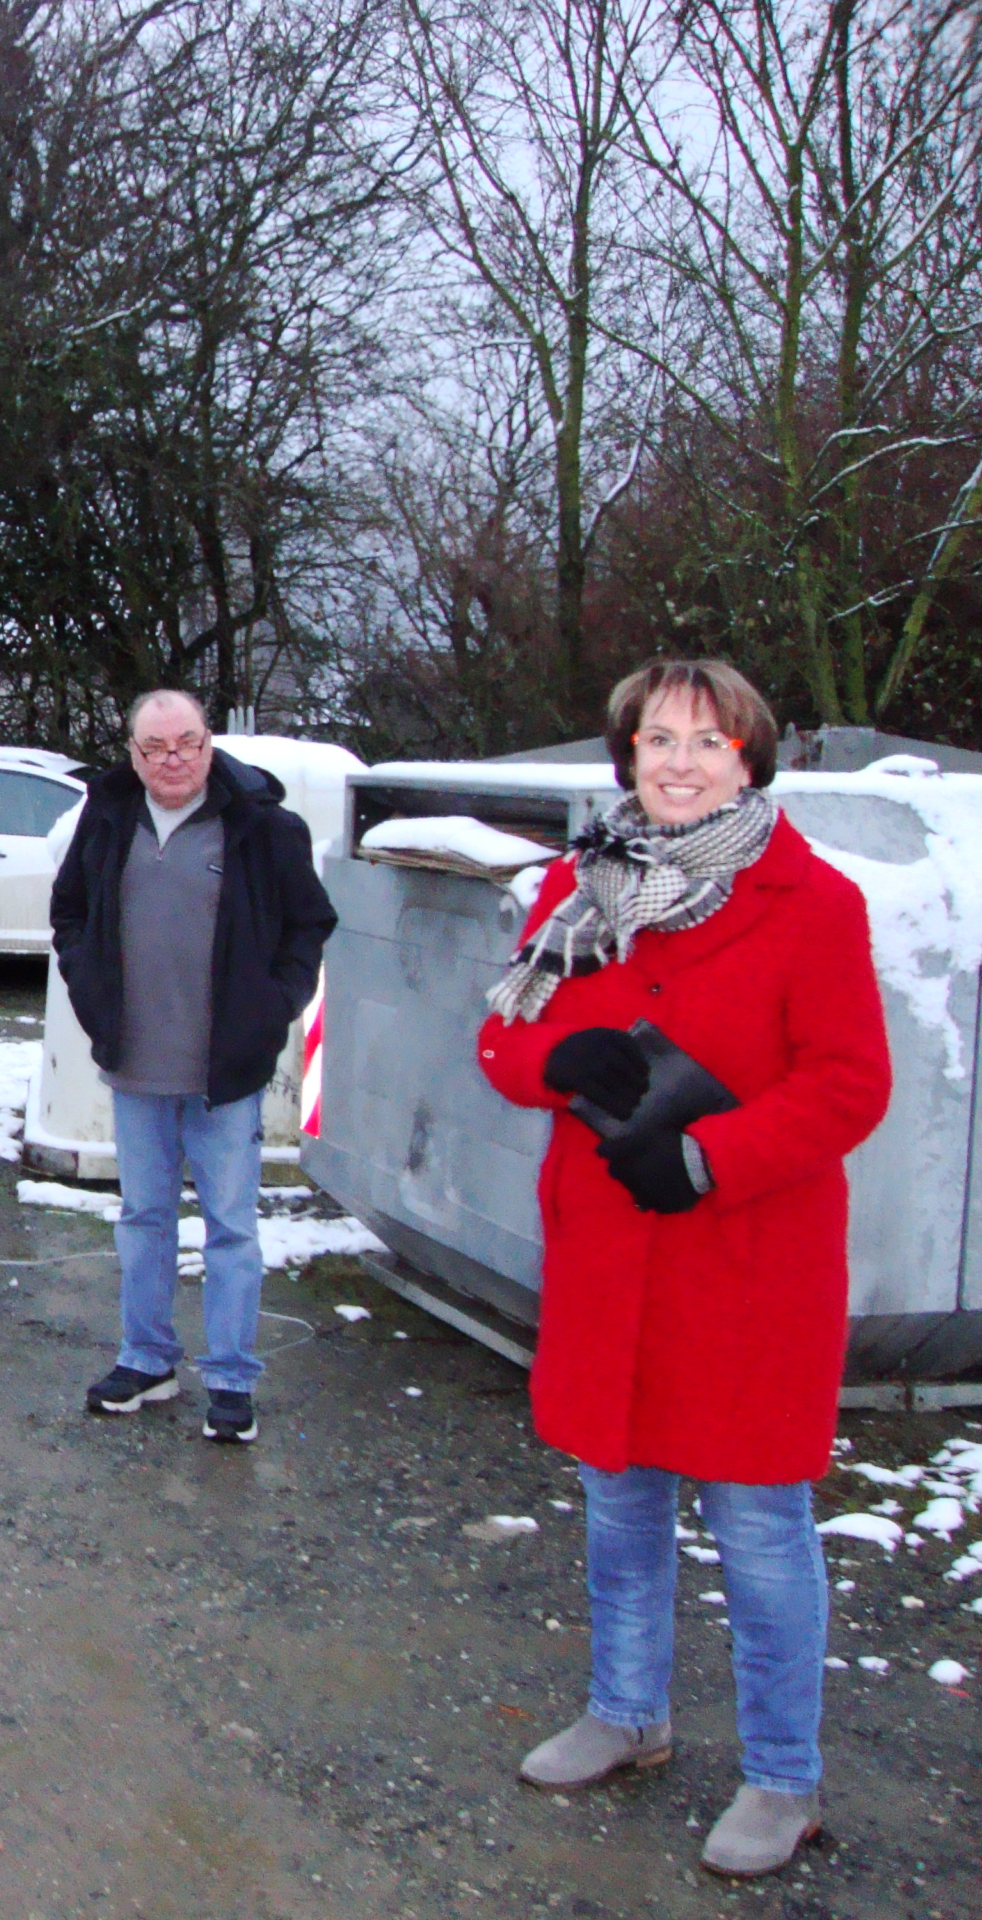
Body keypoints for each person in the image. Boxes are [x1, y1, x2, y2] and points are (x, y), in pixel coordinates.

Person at [478, 660, 889, 1879]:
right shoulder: (572, 888)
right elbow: (502, 1041)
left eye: (708, 742)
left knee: (759, 1527)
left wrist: (709, 1157)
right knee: (619, 1500)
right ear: (626, 757)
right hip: (612, 1254)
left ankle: (781, 1778)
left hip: (746, 1261)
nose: (678, 760)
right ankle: (627, 1709)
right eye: (658, 738)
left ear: (750, 759)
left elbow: (847, 1085)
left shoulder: (810, 901)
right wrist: (565, 1055)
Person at [51, 690, 336, 1444]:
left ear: (210, 743)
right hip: (136, 1066)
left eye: (188, 742)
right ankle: (146, 1358)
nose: (173, 758)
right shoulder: (108, 819)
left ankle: (232, 1378)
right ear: (134, 753)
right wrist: (89, 987)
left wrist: (274, 1003)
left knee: (230, 1229)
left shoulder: (264, 827)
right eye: (155, 747)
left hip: (224, 1072)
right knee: (144, 1219)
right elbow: (70, 912)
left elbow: (310, 922)